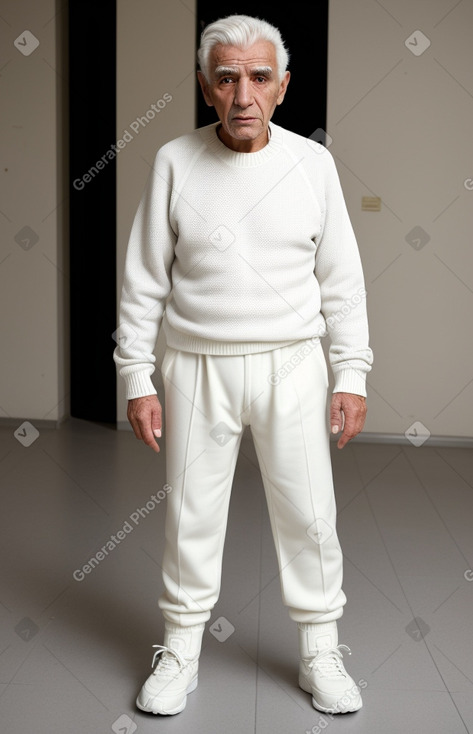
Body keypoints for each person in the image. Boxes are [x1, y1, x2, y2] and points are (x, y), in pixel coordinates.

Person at [113, 13, 373, 717]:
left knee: (308, 513)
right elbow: (142, 281)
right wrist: (136, 376)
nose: (242, 94)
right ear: (205, 86)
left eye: (258, 77)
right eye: (226, 78)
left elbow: (341, 281)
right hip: (196, 364)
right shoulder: (173, 161)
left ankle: (320, 651)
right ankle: (181, 650)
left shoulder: (312, 165)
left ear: (282, 87)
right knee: (191, 516)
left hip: (293, 363)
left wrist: (350, 373)